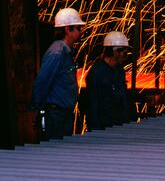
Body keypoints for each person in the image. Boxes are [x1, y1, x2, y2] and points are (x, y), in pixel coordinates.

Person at [31, 8, 85, 140]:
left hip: (63, 114)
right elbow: (42, 82)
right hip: (55, 115)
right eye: (78, 28)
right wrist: (36, 108)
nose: (81, 31)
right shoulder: (57, 53)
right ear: (68, 29)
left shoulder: (65, 52)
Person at [86, 31, 130, 131]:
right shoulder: (97, 72)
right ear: (114, 51)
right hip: (103, 126)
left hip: (118, 125)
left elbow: (123, 99)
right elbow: (93, 103)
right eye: (123, 51)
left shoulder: (119, 71)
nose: (125, 55)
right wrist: (95, 129)